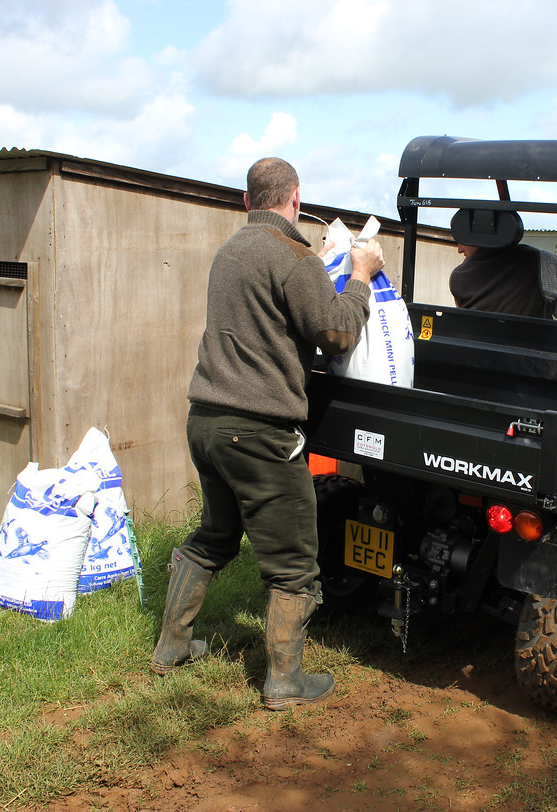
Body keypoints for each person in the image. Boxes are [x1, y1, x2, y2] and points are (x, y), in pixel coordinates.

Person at [150, 157, 385, 711]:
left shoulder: (229, 251)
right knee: (296, 564)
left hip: (205, 421)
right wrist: (359, 276)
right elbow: (338, 333)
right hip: (259, 433)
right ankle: (284, 682)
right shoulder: (293, 256)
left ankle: (171, 646)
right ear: (295, 199)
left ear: (247, 202)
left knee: (215, 535)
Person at [450, 240, 557, 321]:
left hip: (481, 366)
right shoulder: (544, 261)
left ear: (479, 235)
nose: (459, 249)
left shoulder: (458, 276)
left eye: (462, 240)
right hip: (532, 368)